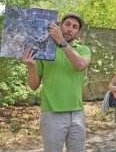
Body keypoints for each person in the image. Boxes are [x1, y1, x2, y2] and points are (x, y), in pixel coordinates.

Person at [21, 13, 91, 152]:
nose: (70, 29)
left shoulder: (83, 50)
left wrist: (61, 42)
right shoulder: (44, 51)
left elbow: (81, 65)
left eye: (75, 27)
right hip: (52, 113)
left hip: (77, 113)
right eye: (67, 24)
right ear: (59, 26)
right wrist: (31, 66)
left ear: (78, 32)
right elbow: (33, 86)